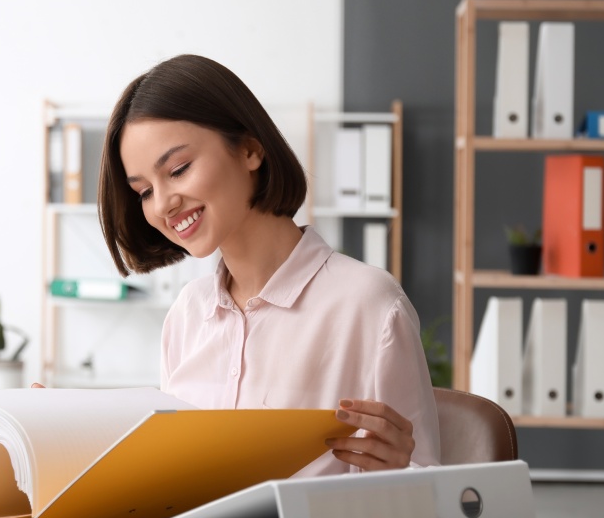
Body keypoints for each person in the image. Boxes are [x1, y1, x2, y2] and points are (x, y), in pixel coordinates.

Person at [96, 54, 439, 475]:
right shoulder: (188, 312)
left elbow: (428, 488)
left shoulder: (368, 304)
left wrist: (399, 469)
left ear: (250, 150)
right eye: (145, 191)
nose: (164, 203)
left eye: (178, 169)